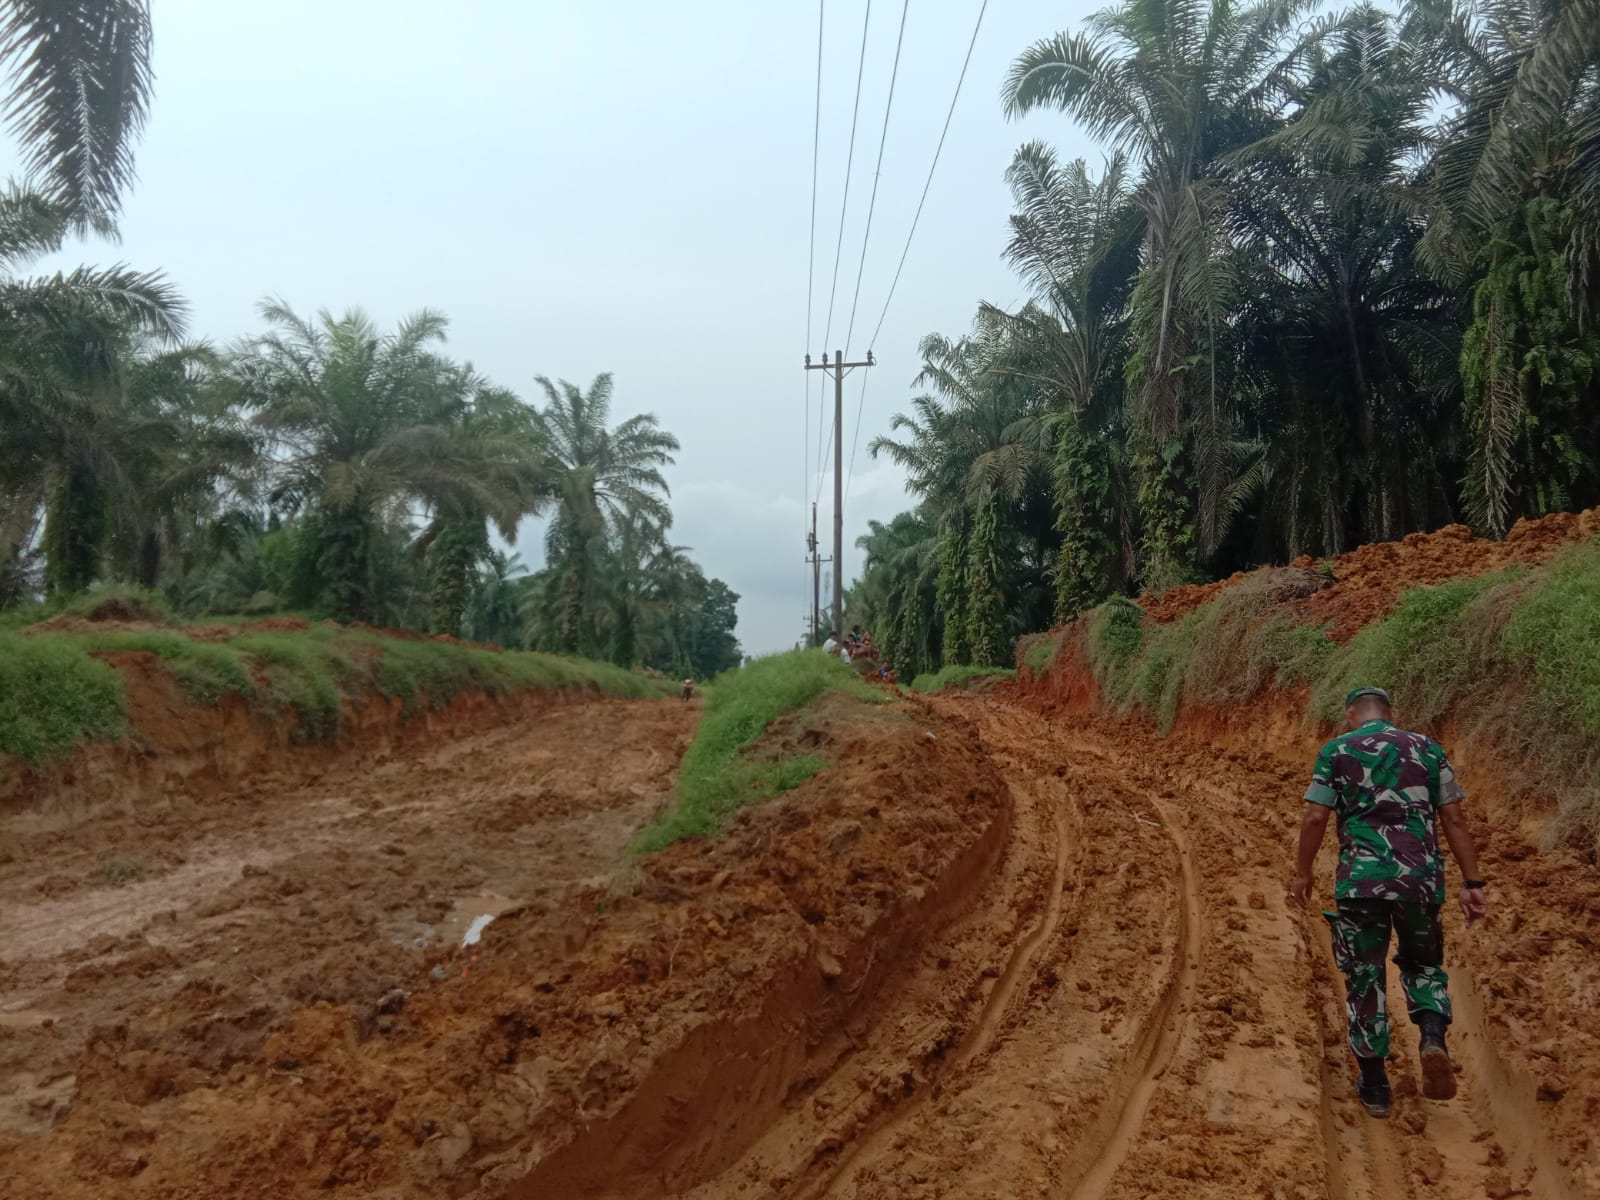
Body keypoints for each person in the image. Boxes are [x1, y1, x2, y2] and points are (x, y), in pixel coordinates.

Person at [1289, 686, 1488, 1119]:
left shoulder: (1337, 750)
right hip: (1420, 883)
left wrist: (1303, 873)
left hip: (1361, 885)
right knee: (1423, 964)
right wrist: (1473, 881)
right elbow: (1453, 816)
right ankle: (1432, 1037)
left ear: (1350, 715)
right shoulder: (1427, 748)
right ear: (1391, 714)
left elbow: (1315, 815)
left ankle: (1376, 1085)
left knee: (1365, 975)